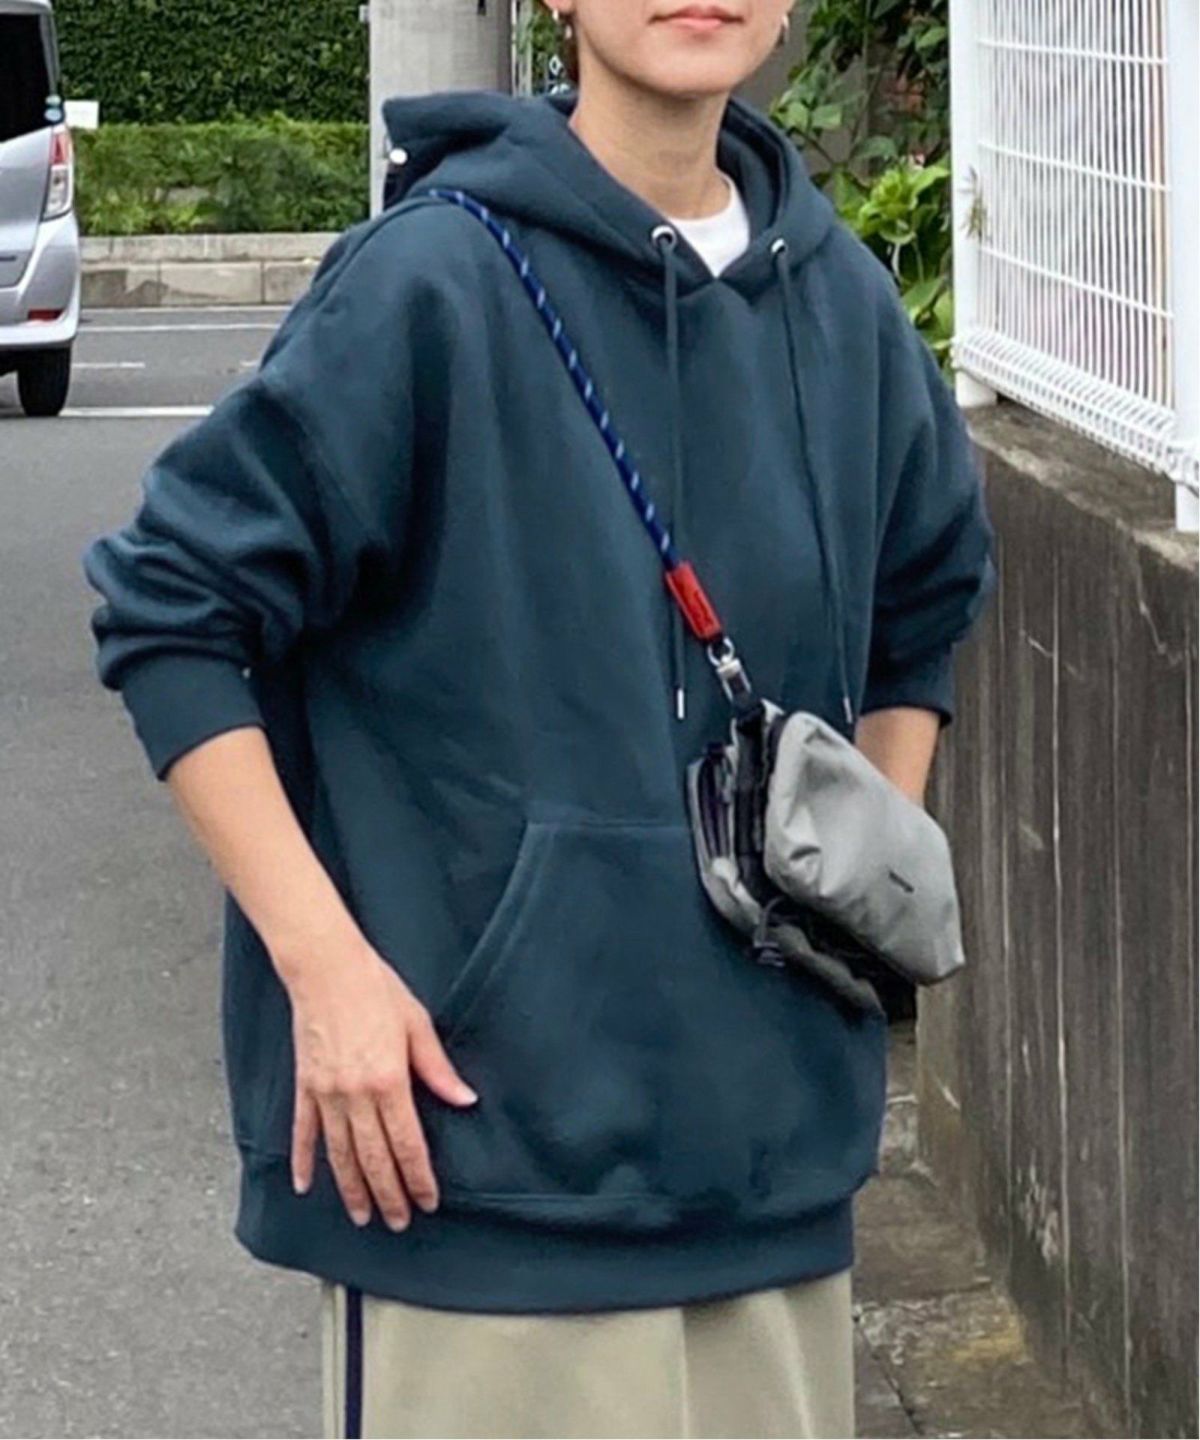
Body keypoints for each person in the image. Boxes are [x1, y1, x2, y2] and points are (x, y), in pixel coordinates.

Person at [80, 2, 998, 1436]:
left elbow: (921, 605)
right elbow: (174, 609)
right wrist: (327, 970)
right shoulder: (432, 282)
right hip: (477, 1188)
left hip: (775, 1190)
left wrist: (855, 895)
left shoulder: (844, 307)